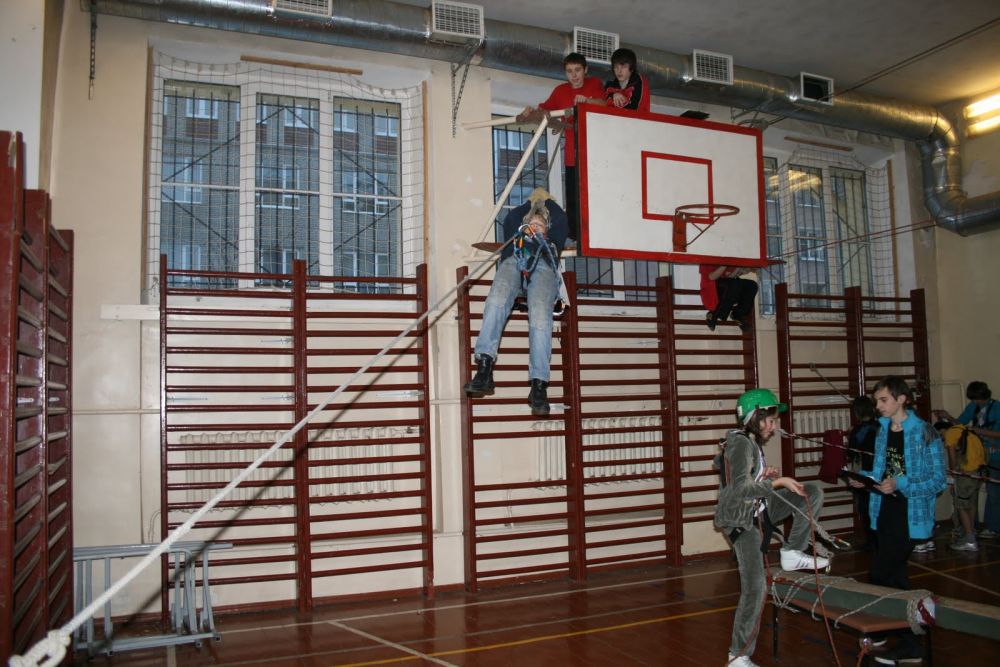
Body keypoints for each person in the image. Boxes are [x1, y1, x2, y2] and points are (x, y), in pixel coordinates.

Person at [715, 388, 828, 667]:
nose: (774, 426)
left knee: (810, 491)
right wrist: (777, 482)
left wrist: (764, 476)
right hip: (742, 521)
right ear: (756, 417)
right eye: (771, 420)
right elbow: (739, 490)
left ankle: (792, 551)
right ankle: (738, 656)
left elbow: (746, 480)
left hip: (759, 510)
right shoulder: (740, 443)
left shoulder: (751, 442)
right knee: (755, 587)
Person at [848, 376, 946, 666]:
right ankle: (894, 631)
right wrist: (864, 480)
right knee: (894, 577)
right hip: (884, 512)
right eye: (876, 401)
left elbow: (938, 481)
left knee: (882, 574)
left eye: (883, 400)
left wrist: (901, 484)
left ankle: (909, 641)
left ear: (902, 399)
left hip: (910, 514)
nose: (878, 406)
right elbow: (883, 472)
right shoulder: (882, 430)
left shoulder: (925, 432)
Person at [464, 188, 568, 417]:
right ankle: (484, 367)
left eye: (540, 225)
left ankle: (539, 385)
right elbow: (511, 218)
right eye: (531, 224)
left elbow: (561, 219)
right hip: (515, 260)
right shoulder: (516, 234)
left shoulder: (554, 236)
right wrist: (531, 206)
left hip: (543, 266)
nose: (535, 226)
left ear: (548, 229)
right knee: (496, 300)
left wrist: (546, 202)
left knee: (540, 318)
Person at [518, 52, 605, 244]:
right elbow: (544, 110)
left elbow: (604, 103)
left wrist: (587, 100)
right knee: (572, 199)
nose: (574, 75)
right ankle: (574, 238)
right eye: (569, 71)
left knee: (593, 197)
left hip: (594, 152)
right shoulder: (560, 91)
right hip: (572, 154)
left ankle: (596, 236)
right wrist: (528, 111)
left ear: (585, 70)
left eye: (577, 70)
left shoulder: (594, 84)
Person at [934, 381, 1000, 540]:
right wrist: (948, 417)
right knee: (971, 493)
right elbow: (961, 423)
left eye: (977, 400)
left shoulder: (997, 408)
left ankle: (992, 527)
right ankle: (972, 527)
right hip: (976, 456)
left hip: (995, 454)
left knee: (993, 492)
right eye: (973, 400)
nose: (975, 403)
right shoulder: (973, 406)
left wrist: (977, 431)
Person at [847, 395, 878, 551]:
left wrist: (850, 436)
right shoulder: (880, 426)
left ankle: (872, 542)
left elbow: (851, 452)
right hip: (879, 473)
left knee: (866, 509)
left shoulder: (859, 430)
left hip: (864, 474)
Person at [700, 264, 758, 331]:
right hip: (712, 294)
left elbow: (730, 277)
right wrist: (725, 264)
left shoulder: (727, 259)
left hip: (728, 291)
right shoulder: (707, 261)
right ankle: (715, 314)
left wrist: (739, 267)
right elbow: (712, 277)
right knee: (733, 284)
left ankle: (738, 314)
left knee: (752, 285)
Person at [603, 47, 650, 112]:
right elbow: (601, 102)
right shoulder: (610, 85)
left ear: (632, 68)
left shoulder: (639, 81)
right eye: (616, 67)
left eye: (623, 67)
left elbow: (633, 107)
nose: (619, 71)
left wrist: (612, 100)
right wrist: (613, 95)